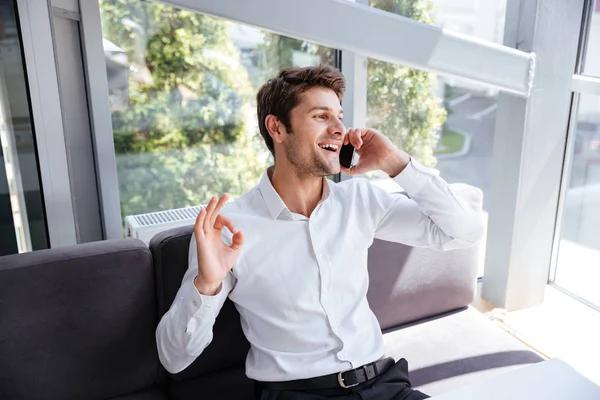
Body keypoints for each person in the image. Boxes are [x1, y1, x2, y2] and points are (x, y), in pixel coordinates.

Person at [156, 64, 484, 400]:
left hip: (384, 385)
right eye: (321, 116)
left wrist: (395, 163)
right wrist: (207, 285)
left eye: (339, 116)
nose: (340, 128)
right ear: (277, 128)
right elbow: (174, 358)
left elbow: (464, 232)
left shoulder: (360, 200)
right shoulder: (228, 228)